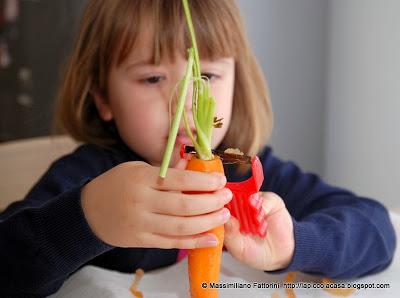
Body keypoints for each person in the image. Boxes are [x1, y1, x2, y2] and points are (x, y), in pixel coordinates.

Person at [0, 0, 396, 296]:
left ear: (236, 81)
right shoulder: (92, 176)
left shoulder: (243, 169)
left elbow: (377, 230)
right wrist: (89, 216)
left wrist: (295, 243)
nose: (185, 103)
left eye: (205, 75)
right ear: (103, 97)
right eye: (153, 78)